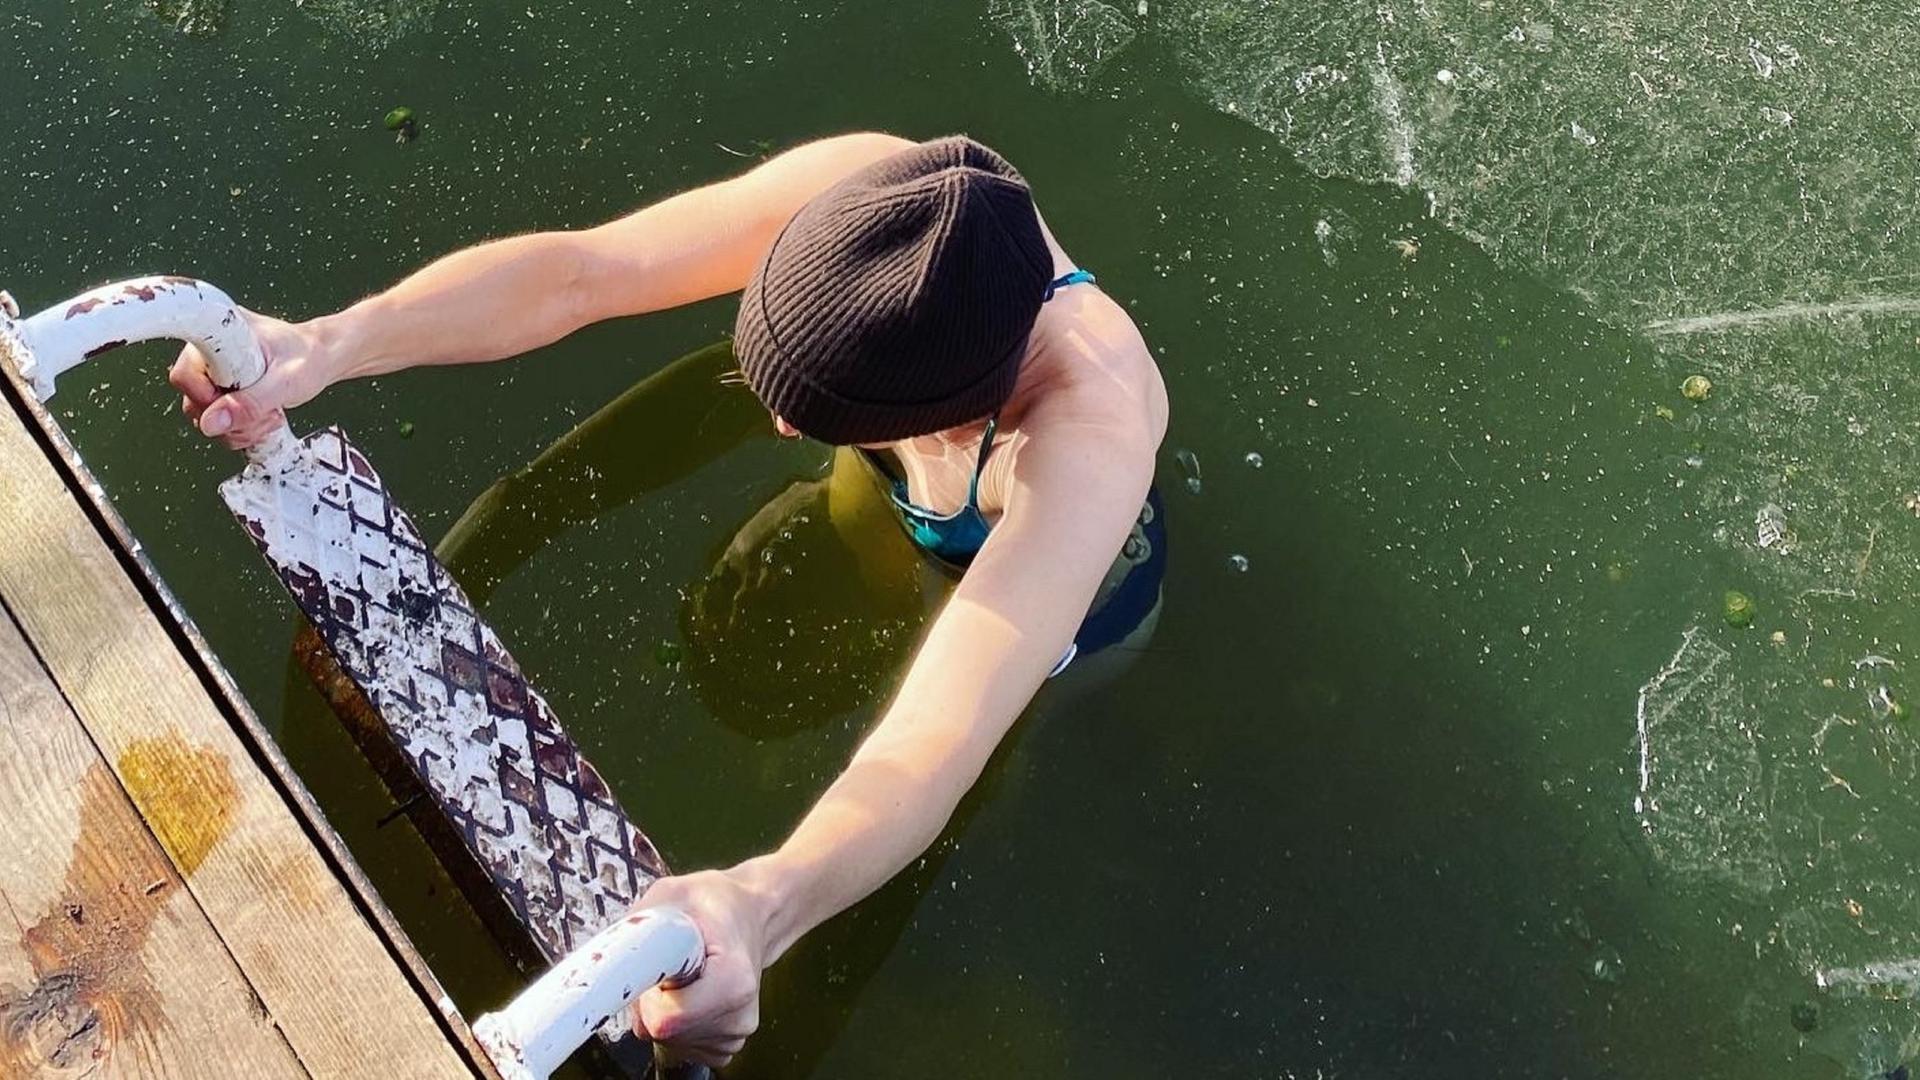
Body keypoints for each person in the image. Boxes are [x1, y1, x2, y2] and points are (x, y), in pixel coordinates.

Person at [171, 132, 1168, 1069]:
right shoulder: (887, 194)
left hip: (1058, 602)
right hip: (895, 499)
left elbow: (937, 742)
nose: (777, 422)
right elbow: (585, 273)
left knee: (974, 788)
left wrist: (759, 906)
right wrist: (331, 344)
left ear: (956, 404)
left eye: (822, 409)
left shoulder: (1089, 431)